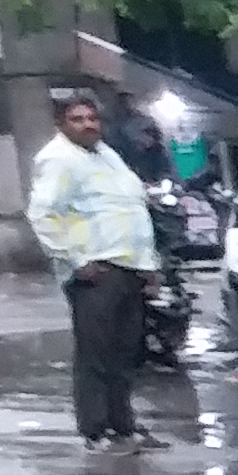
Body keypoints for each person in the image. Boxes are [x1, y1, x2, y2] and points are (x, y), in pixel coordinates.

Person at [28, 90, 159, 445]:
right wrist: (76, 261)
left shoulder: (106, 155)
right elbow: (43, 215)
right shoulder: (58, 159)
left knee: (126, 352)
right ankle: (95, 429)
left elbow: (131, 209)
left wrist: (150, 268)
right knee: (96, 354)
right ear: (61, 124)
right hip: (95, 271)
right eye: (77, 119)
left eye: (92, 118)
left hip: (129, 267)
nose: (87, 125)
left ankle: (123, 424)